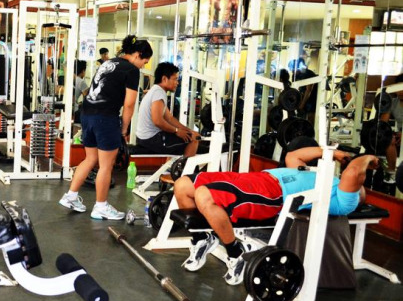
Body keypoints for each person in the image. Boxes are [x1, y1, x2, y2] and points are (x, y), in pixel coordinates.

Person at [173, 146, 377, 285]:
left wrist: (368, 158)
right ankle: (202, 239)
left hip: (272, 193)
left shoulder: (346, 201)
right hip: (259, 178)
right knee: (182, 185)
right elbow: (293, 156)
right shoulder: (322, 177)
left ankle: (236, 253)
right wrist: (333, 153)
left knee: (204, 195)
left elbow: (353, 173)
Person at [58, 35, 152, 220]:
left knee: (90, 159)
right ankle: (101, 206)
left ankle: (70, 196)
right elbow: (130, 104)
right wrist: (124, 128)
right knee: (106, 165)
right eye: (144, 61)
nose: (143, 65)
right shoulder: (132, 70)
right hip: (105, 118)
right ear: (138, 55)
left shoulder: (108, 63)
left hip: (87, 115)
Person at [136, 62, 198, 157]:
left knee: (191, 135)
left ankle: (174, 164)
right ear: (164, 79)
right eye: (175, 79)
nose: (177, 83)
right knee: (193, 140)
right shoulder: (159, 92)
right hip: (151, 139)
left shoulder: (156, 90)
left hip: (147, 138)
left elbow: (169, 118)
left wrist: (189, 131)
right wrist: (177, 131)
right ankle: (184, 166)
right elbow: (157, 121)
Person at [381, 72, 403, 184]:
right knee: (389, 139)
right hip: (399, 133)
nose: (400, 92)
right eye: (398, 88)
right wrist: (390, 134)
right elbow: (383, 123)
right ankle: (392, 173)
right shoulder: (393, 103)